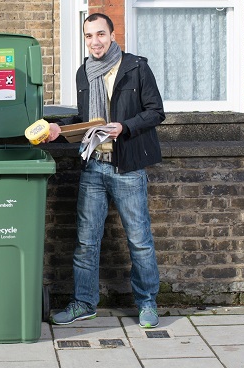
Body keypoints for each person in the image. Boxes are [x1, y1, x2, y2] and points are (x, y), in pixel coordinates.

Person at [46, 13, 165, 328]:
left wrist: (124, 126)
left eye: (100, 34)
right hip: (93, 168)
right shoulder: (84, 73)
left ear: (112, 35)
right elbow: (87, 120)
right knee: (86, 241)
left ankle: (147, 303)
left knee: (139, 240)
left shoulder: (135, 67)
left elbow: (156, 112)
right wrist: (60, 128)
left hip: (127, 168)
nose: (95, 41)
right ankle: (84, 303)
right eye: (89, 36)